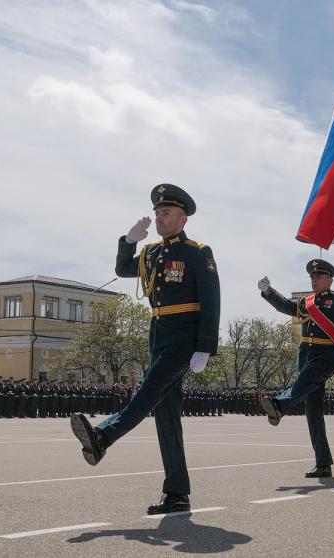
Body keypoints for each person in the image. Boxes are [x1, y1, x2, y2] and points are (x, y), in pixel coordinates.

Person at [70, 183, 220, 515]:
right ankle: (177, 493)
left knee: (148, 390)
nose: (159, 217)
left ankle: (103, 436)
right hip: (158, 334)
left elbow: (211, 300)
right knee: (166, 416)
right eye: (157, 212)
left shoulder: (197, 252)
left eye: (166, 212)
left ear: (182, 219)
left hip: (184, 336)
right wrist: (129, 242)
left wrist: (206, 346)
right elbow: (123, 269)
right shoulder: (151, 253)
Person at [257, 259, 334, 479]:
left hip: (327, 356)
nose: (314, 280)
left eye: (319, 276)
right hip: (307, 356)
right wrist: (268, 292)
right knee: (313, 411)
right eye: (312, 277)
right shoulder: (307, 302)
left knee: (303, 382)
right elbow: (286, 306)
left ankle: (279, 405)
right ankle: (323, 464)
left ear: (330, 280)